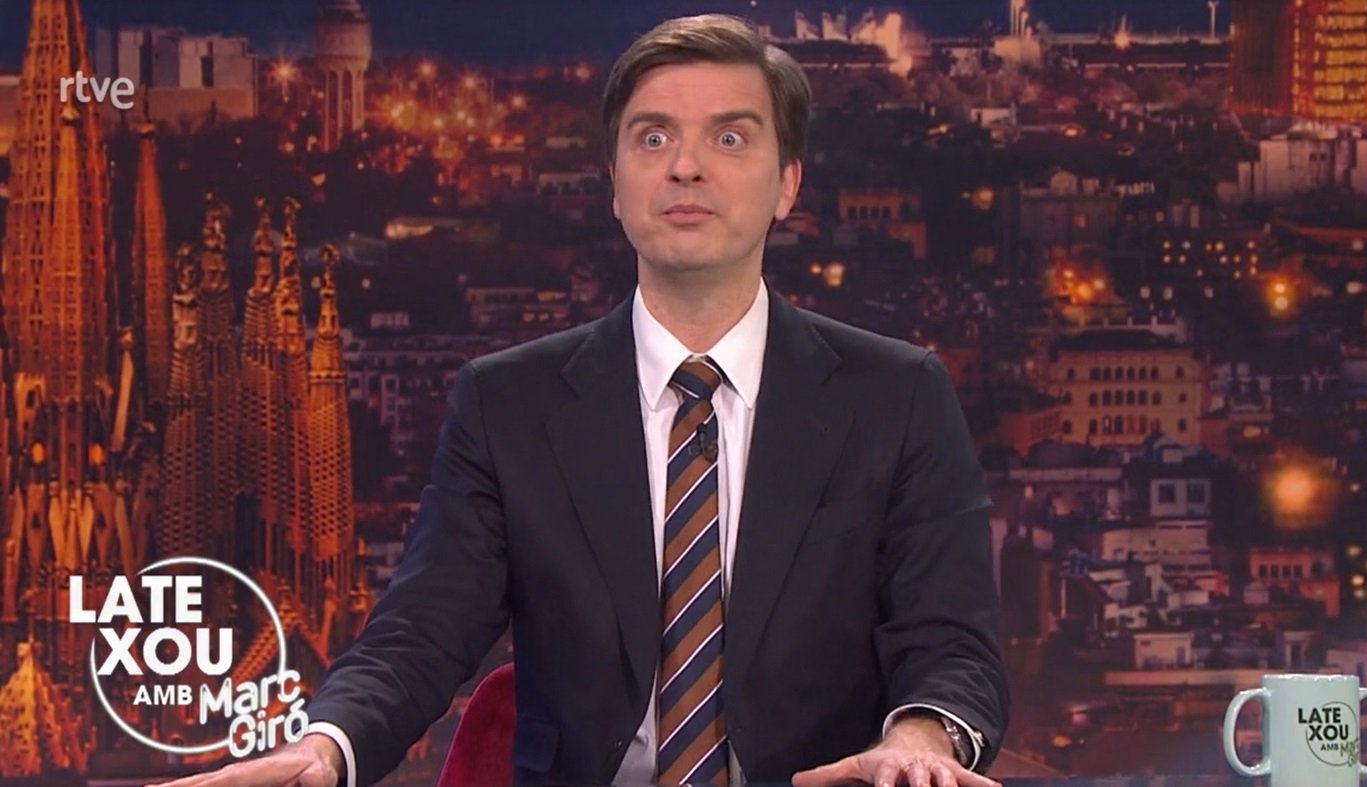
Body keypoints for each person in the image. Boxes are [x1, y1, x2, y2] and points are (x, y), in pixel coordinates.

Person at [148, 14, 1007, 787]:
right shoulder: (507, 404)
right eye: (653, 137)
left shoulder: (896, 396)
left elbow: (949, 643)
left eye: (729, 137)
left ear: (787, 184)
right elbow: (421, 632)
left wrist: (918, 743)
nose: (686, 165)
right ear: (613, 183)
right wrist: (325, 747)